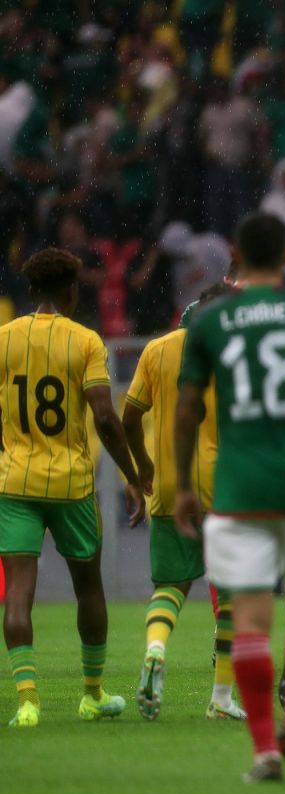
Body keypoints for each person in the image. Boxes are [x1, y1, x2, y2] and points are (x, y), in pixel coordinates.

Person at [174, 212, 285, 782]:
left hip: (239, 488)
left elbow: (187, 411)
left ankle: (264, 752)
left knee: (250, 622)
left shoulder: (209, 322)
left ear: (237, 255)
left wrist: (182, 485)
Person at [1, 247, 146, 729]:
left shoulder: (3, 339)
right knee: (90, 589)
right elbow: (105, 416)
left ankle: (27, 702)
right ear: (70, 290)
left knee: (19, 593)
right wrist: (131, 473)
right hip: (70, 484)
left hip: (15, 482)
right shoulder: (84, 341)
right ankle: (92, 693)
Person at [123, 282, 244, 722]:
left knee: (170, 587)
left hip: (172, 482)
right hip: (226, 484)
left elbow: (129, 416)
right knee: (233, 592)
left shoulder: (157, 350)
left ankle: (156, 647)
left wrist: (142, 466)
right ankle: (221, 699)